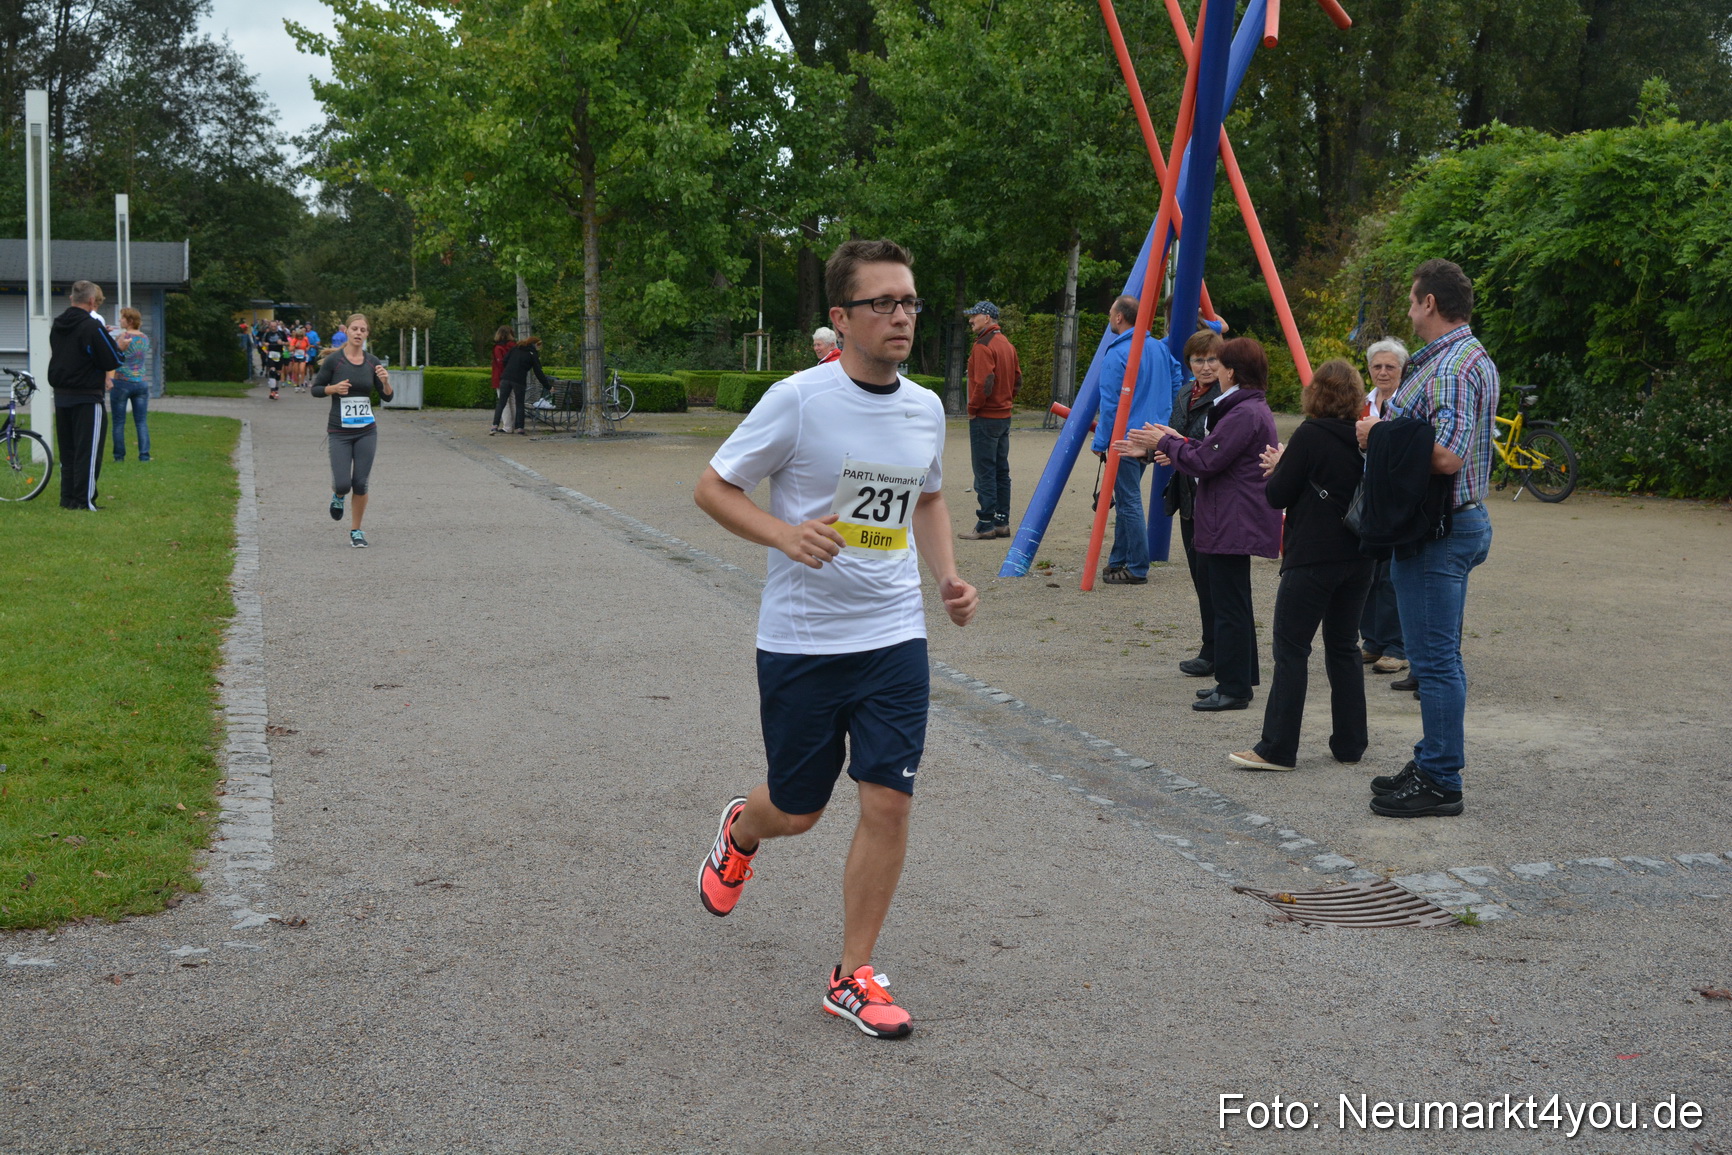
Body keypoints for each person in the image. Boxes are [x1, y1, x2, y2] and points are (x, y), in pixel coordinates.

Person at [693, 238, 978, 1040]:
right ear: (840, 318)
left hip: (894, 638)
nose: (901, 316)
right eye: (883, 303)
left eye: (910, 302)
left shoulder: (924, 407)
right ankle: (743, 829)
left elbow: (926, 499)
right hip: (804, 642)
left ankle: (853, 973)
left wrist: (947, 578)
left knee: (889, 800)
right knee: (800, 808)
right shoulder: (799, 400)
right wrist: (783, 535)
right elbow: (713, 485)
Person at [1357, 259, 1499, 818]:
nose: (1410, 312)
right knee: (1435, 655)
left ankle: (1442, 780)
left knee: (1435, 660)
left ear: (1430, 304)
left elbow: (1446, 455)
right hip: (1443, 523)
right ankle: (1433, 758)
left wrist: (1378, 433)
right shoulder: (1460, 358)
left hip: (1439, 530)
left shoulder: (1451, 368)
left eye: (1414, 302)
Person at [1228, 359, 1375, 771]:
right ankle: (1350, 742)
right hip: (1359, 555)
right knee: (1344, 647)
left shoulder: (1310, 434)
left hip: (1312, 555)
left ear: (1314, 394)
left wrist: (1278, 467)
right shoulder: (1366, 439)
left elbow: (1277, 495)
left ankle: (1277, 747)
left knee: (1292, 649)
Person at [1119, 338, 1281, 711]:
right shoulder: (1242, 407)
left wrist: (1167, 442)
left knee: (1229, 604)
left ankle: (1235, 686)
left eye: (1219, 364)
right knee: (1229, 601)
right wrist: (1172, 441)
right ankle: (1234, 677)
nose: (1212, 370)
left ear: (1232, 372)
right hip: (1226, 516)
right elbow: (1206, 451)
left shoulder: (1244, 412)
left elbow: (1208, 460)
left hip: (1232, 519)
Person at [1092, 295, 1183, 585]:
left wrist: (1100, 442)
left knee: (1128, 500)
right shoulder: (1157, 347)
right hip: (1152, 433)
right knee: (1127, 496)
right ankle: (1119, 559)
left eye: (1110, 313)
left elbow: (1109, 404)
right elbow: (1177, 376)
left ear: (1120, 317)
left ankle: (1137, 567)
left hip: (1126, 437)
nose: (1109, 318)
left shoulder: (1117, 353)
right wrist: (1164, 414)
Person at [1165, 328, 1225, 674]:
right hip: (1188, 494)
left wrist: (1175, 445)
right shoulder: (1185, 392)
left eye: (1212, 360)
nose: (1205, 366)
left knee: (1216, 580)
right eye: (1199, 360)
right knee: (1199, 578)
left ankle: (1218, 650)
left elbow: (1213, 445)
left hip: (1214, 496)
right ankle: (1210, 646)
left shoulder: (1227, 397)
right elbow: (1175, 434)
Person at [311, 313, 394, 548]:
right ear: (346, 331)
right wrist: (333, 388)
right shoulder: (334, 362)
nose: (359, 333)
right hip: (339, 432)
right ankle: (338, 496)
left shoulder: (372, 362)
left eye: (363, 330)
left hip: (366, 430)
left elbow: (388, 397)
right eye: (355, 329)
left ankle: (356, 530)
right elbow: (315, 389)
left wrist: (386, 381)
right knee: (342, 484)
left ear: (367, 334)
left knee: (360, 483)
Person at [1358, 338, 1411, 679]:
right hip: (1366, 495)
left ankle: (1397, 646)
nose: (1382, 372)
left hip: (1396, 495)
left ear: (1402, 370)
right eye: (1377, 366)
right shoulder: (1362, 404)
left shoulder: (1407, 405)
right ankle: (1373, 639)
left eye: (1390, 366)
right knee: (1367, 570)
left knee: (1393, 574)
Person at [50, 280, 125, 511]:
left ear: (72, 298)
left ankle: (68, 498)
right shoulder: (92, 327)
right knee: (88, 451)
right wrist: (119, 347)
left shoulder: (58, 324)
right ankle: (84, 500)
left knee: (68, 451)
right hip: (87, 396)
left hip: (61, 395)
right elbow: (111, 359)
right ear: (92, 301)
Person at [959, 301, 1021, 540]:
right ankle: (1001, 522)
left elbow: (984, 382)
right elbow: (1017, 380)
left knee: (984, 471)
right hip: (1004, 416)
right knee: (1001, 471)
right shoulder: (1007, 344)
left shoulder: (983, 346)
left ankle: (985, 524)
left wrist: (973, 408)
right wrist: (1006, 400)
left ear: (986, 317)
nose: (970, 320)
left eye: (973, 315)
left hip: (985, 417)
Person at [109, 307, 153, 463]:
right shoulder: (145, 338)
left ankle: (119, 457)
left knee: (119, 422)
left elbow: (113, 356)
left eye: (122, 318)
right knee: (141, 421)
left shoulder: (122, 337)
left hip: (122, 382)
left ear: (130, 321)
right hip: (141, 382)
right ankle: (144, 455)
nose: (120, 320)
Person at [493, 334, 551, 435]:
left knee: (501, 402)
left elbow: (505, 360)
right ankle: (520, 428)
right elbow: (538, 372)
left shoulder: (516, 348)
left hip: (506, 378)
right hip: (519, 380)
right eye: (539, 345)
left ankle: (494, 425)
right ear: (535, 344)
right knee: (519, 403)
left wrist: (509, 369)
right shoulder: (532, 354)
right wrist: (548, 386)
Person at [490, 326, 517, 430]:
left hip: (501, 377)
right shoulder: (514, 346)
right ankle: (515, 424)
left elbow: (500, 363)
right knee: (513, 401)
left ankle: (507, 426)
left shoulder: (498, 348)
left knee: (504, 402)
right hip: (514, 377)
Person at [263, 323, 286, 400]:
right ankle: (272, 391)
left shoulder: (281, 333)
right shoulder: (267, 334)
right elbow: (263, 342)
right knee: (272, 371)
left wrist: (282, 343)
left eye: (274, 326)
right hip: (271, 354)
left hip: (279, 354)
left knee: (278, 373)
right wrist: (265, 344)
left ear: (277, 326)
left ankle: (276, 390)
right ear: (270, 327)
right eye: (272, 326)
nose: (273, 328)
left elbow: (288, 343)